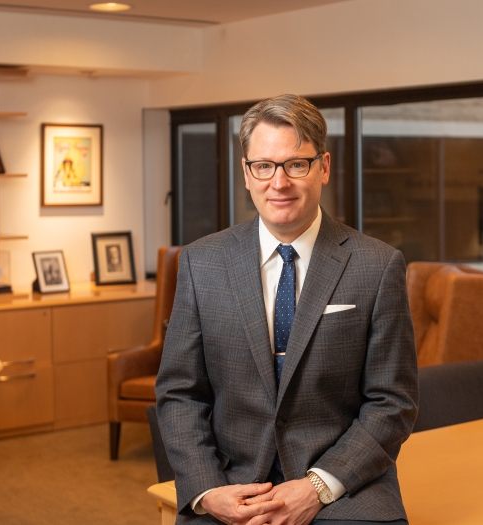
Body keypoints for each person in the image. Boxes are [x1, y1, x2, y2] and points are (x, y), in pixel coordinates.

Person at [156, 94, 418, 525]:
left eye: (296, 164)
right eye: (264, 166)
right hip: (231, 482)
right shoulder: (201, 263)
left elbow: (393, 401)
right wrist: (208, 488)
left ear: (325, 167)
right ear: (246, 173)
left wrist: (317, 486)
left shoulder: (377, 265)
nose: (279, 183)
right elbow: (180, 393)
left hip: (343, 484)